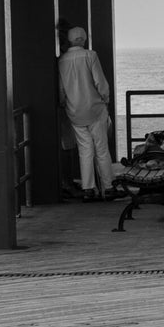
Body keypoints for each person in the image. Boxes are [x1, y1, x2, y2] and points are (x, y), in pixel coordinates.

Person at [58, 26, 117, 202]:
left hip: (75, 112)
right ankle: (108, 187)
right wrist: (106, 99)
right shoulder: (90, 56)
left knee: (85, 150)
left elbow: (61, 91)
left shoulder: (62, 61)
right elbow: (100, 82)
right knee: (102, 149)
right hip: (95, 109)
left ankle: (89, 189)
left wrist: (65, 104)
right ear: (83, 39)